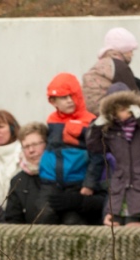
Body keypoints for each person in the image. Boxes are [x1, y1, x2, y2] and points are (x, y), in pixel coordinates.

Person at [89, 85, 140, 226]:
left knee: (136, 232)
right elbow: (94, 147)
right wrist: (97, 126)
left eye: (124, 107)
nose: (121, 112)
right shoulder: (111, 130)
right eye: (116, 109)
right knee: (115, 230)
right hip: (120, 191)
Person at [39, 72, 102, 225]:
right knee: (43, 216)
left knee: (73, 222)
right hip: (50, 182)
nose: (69, 101)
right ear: (53, 101)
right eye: (63, 97)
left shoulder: (91, 121)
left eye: (72, 96)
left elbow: (98, 156)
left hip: (77, 183)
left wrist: (89, 184)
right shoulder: (52, 121)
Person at [83, 27, 140, 115]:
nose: (132, 54)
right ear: (122, 50)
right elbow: (135, 97)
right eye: (130, 50)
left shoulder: (102, 63)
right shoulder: (120, 66)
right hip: (107, 114)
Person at [0, 122, 49, 224]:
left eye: (35, 144)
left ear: (47, 144)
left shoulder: (62, 175)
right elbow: (13, 219)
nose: (31, 150)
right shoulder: (18, 181)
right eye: (26, 146)